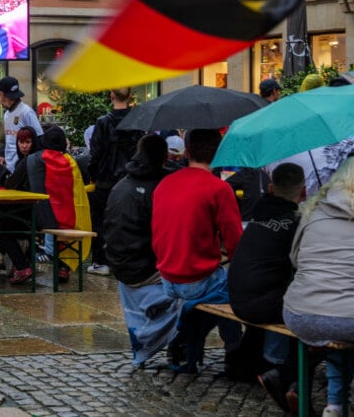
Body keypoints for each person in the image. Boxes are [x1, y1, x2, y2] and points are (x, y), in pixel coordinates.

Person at [151, 129, 243, 373]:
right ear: (219, 152)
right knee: (234, 291)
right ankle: (235, 352)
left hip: (166, 276)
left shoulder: (165, 183)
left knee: (219, 287)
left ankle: (184, 341)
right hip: (196, 278)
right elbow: (235, 244)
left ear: (187, 151)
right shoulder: (219, 189)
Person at [226, 162, 305, 413]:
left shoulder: (259, 212)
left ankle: (257, 362)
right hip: (261, 304)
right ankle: (283, 370)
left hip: (238, 295)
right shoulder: (296, 224)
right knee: (310, 311)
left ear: (270, 188)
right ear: (303, 193)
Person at [283, 157, 354, 417]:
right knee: (345, 316)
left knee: (341, 320)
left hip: (302, 315)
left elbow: (295, 259)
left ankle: (335, 405)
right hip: (347, 317)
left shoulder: (313, 209)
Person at [103, 135, 182, 367]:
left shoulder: (122, 183)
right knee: (203, 285)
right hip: (144, 267)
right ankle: (181, 346)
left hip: (118, 262)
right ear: (164, 157)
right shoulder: (160, 187)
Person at [87, 88, 144, 276]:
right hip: (128, 179)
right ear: (129, 96)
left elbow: (95, 154)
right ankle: (124, 258)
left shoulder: (102, 123)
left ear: (111, 96)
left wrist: (92, 175)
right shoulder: (136, 122)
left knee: (100, 221)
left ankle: (100, 261)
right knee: (128, 219)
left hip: (104, 180)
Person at [26, 125, 91, 284]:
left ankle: (30, 261)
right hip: (70, 216)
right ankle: (64, 267)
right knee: (62, 223)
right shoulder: (70, 162)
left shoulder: (38, 159)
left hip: (45, 216)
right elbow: (77, 192)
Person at [0, 126, 47, 284]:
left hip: (32, 213)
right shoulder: (33, 159)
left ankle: (20, 264)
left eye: (28, 142)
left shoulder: (27, 161)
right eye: (21, 142)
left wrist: (0, 170)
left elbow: (11, 185)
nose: (24, 145)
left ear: (34, 142)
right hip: (34, 210)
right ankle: (16, 259)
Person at [0, 76, 42, 174]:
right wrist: (3, 156)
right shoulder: (7, 114)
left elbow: (39, 137)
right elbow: (10, 140)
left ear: (2, 94)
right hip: (9, 168)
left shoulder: (26, 112)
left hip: (23, 168)